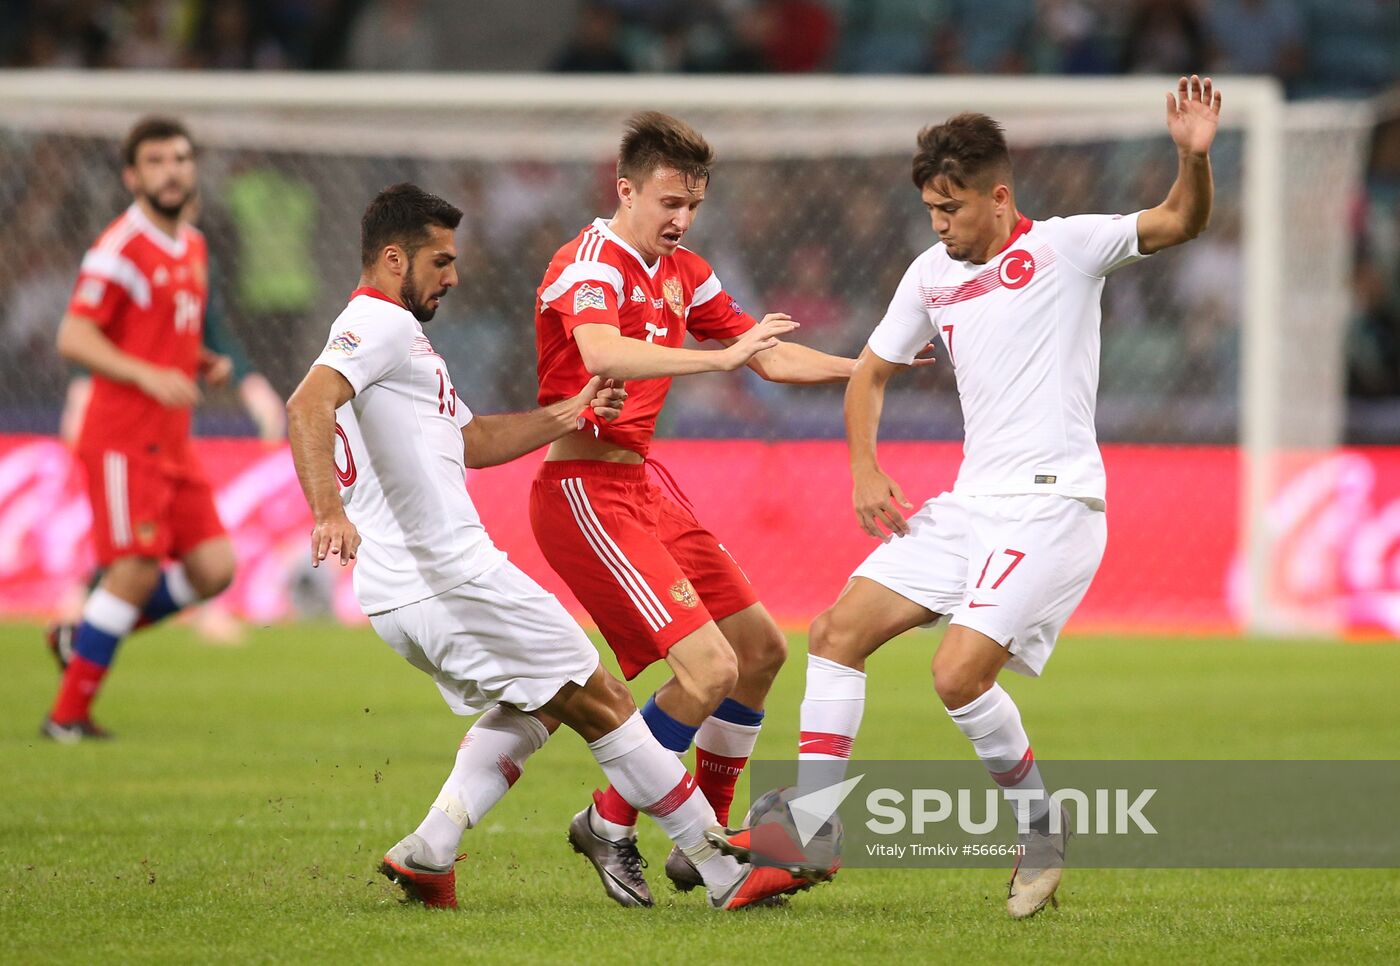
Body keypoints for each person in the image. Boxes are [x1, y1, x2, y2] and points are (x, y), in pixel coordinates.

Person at [735, 77, 1222, 919]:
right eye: (930, 208)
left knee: (957, 675)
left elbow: (1180, 220)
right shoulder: (930, 274)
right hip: (971, 504)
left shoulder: (1071, 246)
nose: (939, 224)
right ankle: (810, 826)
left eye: (952, 208)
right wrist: (863, 468)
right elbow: (871, 373)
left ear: (999, 197)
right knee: (836, 632)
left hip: (1055, 505)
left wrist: (1193, 157)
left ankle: (1040, 827)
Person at [285, 182, 821, 911]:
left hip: (399, 593)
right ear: (392, 259)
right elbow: (307, 403)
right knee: (602, 699)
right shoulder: (374, 323)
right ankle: (720, 867)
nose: (454, 275)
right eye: (440, 261)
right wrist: (328, 512)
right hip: (448, 575)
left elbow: (475, 440)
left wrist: (569, 411)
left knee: (543, 702)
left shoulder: (399, 341)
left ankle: (432, 848)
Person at [531, 111, 858, 907]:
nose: (682, 219)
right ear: (626, 191)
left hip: (644, 486)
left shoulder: (685, 271)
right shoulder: (589, 262)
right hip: (583, 491)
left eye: (694, 206)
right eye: (669, 202)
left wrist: (869, 367)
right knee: (709, 669)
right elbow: (602, 350)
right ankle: (620, 825)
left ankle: (702, 834)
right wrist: (718, 360)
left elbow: (766, 355)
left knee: (761, 651)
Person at [41, 117, 236, 742]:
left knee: (215, 568)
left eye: (179, 159)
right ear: (132, 176)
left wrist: (199, 360)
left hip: (173, 439)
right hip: (123, 439)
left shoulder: (193, 245)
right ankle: (66, 718)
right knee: (133, 571)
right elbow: (73, 335)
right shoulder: (119, 247)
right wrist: (148, 375)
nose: (170, 172)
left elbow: (159, 331)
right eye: (155, 161)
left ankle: (82, 637)